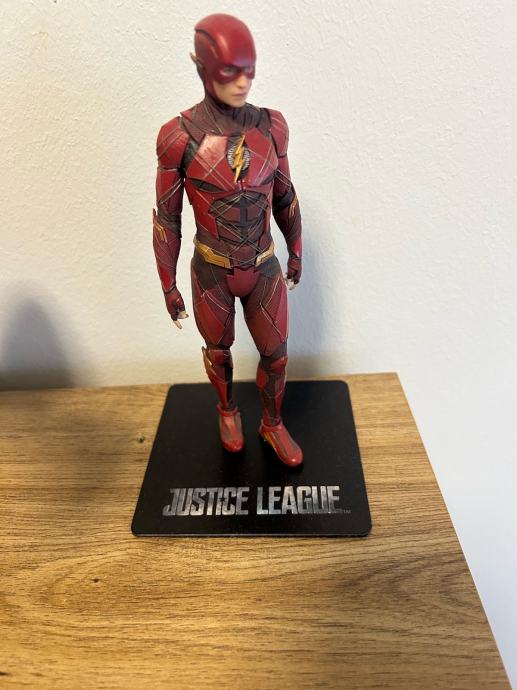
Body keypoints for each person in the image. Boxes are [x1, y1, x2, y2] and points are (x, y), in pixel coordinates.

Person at [152, 13, 303, 466]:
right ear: (203, 68)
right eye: (229, 72)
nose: (242, 83)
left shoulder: (272, 127)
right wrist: (167, 284)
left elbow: (285, 195)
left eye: (249, 71)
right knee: (218, 352)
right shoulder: (178, 137)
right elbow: (168, 219)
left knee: (276, 356)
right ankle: (227, 411)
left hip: (263, 265)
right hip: (211, 269)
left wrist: (296, 249)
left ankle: (272, 423)